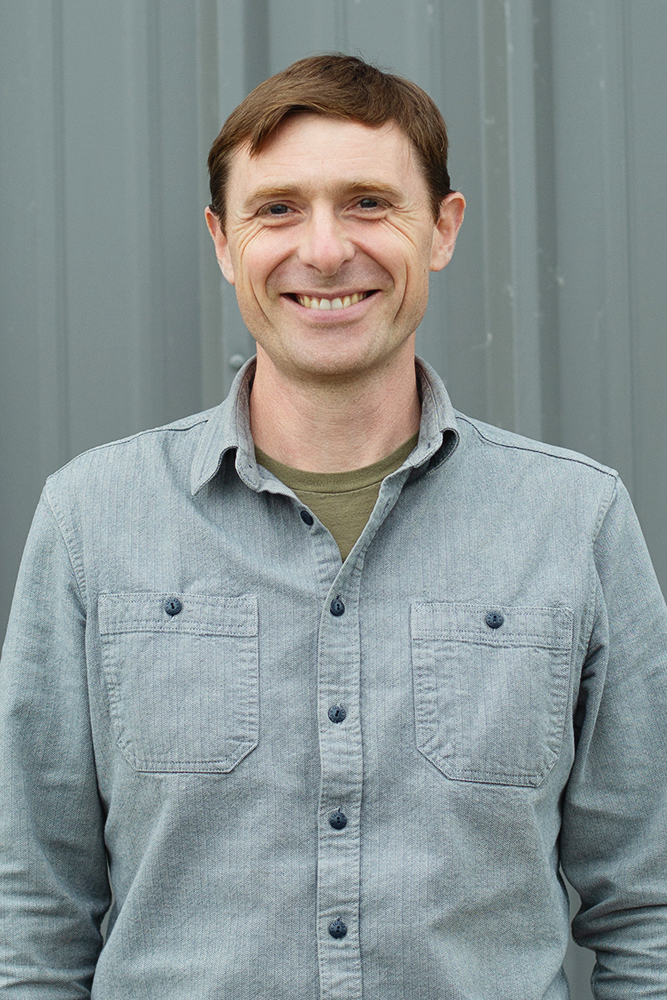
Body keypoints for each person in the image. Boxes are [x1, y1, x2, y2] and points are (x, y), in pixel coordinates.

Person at [1, 53, 666, 1000]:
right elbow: (31, 910)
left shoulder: (575, 522)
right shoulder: (91, 521)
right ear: (222, 242)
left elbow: (647, 907)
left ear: (441, 228)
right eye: (276, 209)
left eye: (366, 202)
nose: (322, 249)